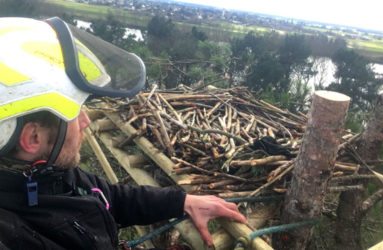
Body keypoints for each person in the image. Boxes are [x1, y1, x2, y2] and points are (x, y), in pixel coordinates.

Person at [0, 17, 247, 249]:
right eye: (74, 112)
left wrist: (182, 201)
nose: (86, 120)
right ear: (33, 138)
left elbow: (112, 198)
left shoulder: (49, 176)